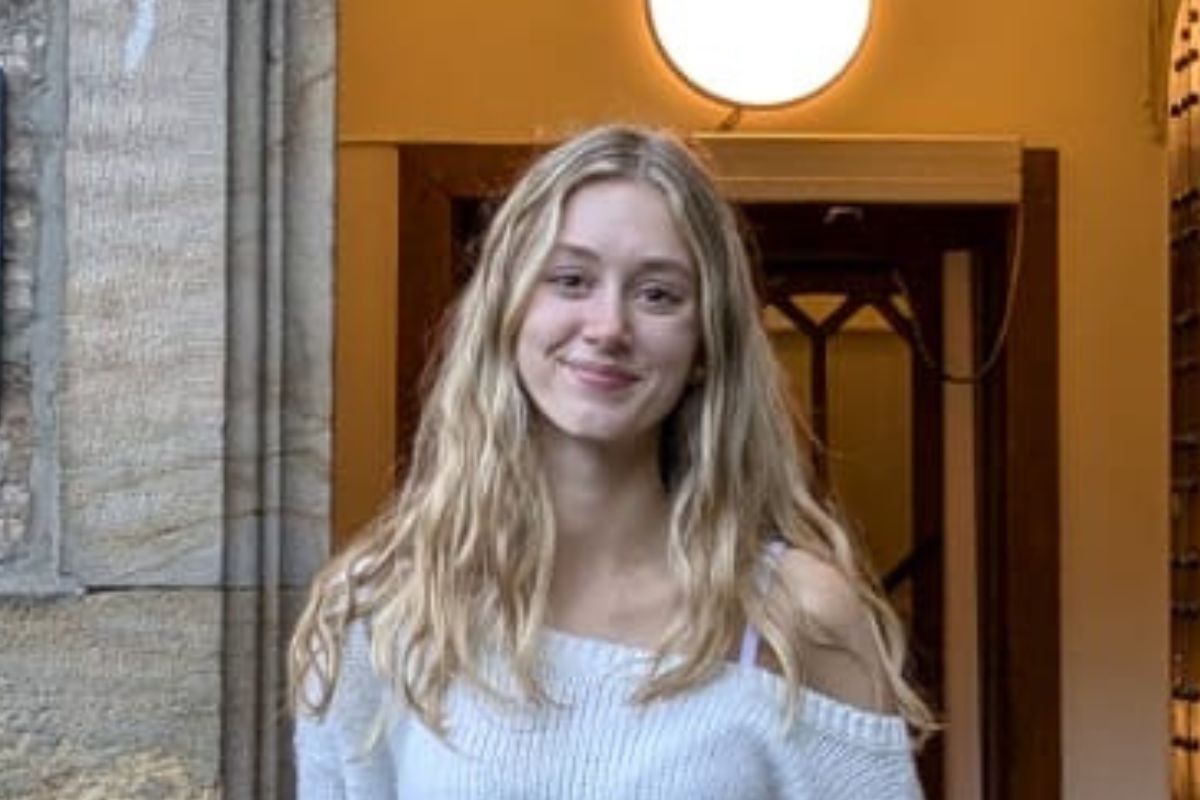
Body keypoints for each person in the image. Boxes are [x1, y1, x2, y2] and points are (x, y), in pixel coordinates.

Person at [289, 123, 933, 799]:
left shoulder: (797, 618)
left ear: (706, 343)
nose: (608, 328)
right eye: (570, 280)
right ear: (508, 311)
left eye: (658, 294)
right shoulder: (383, 609)